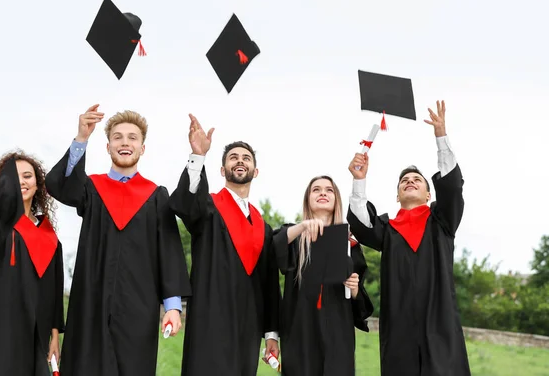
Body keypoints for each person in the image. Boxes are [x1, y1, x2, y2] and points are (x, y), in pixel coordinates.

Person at [45, 105, 191, 376]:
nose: (125, 142)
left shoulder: (156, 196)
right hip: (91, 302)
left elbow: (168, 251)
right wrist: (81, 139)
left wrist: (172, 307)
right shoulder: (91, 189)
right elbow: (59, 185)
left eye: (133, 137)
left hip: (139, 305)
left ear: (142, 148)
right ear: (108, 146)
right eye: (118, 137)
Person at [347, 100, 471, 376]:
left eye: (417, 180)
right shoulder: (388, 229)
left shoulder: (442, 221)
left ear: (429, 194)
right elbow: (360, 221)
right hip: (399, 328)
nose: (410, 181)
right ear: (397, 195)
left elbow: (452, 187)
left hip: (439, 328)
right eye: (404, 181)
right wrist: (359, 180)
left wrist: (441, 135)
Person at [169, 114, 281, 376]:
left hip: (247, 327)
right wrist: (198, 156)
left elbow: (269, 284)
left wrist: (271, 334)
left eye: (246, 158)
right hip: (210, 320)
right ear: (222, 170)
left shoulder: (263, 227)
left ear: (255, 170)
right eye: (233, 158)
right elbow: (185, 205)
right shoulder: (208, 207)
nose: (240, 161)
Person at [0, 151, 65, 376]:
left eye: (27, 176)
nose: (22, 181)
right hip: (2, 325)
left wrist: (55, 336)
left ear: (37, 184)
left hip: (38, 329)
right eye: (14, 177)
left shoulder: (50, 235)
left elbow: (55, 290)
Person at [273, 175, 373, 376]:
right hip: (301, 332)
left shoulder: (349, 245)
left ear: (336, 199)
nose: (322, 193)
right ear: (307, 199)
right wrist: (303, 226)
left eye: (329, 190)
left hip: (338, 333)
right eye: (316, 189)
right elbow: (272, 250)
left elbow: (360, 307)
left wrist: (354, 289)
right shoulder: (295, 238)